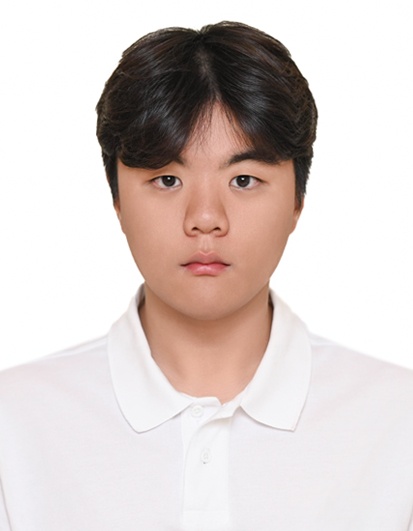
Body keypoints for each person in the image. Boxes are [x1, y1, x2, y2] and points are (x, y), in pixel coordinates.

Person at [0, 21, 412, 531]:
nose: (205, 218)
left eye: (244, 179)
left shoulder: (399, 422)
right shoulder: (15, 424)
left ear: (298, 200)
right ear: (117, 199)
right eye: (167, 179)